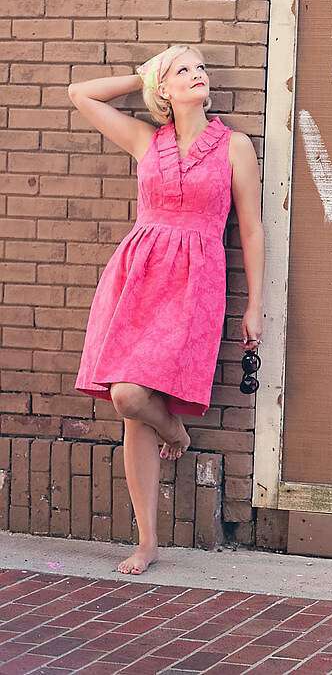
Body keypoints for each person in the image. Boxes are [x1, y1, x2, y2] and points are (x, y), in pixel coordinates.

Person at [66, 44, 265, 575]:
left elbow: (251, 228)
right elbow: (78, 94)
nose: (198, 75)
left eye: (201, 68)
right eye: (183, 70)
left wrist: (255, 305)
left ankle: (175, 432)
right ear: (165, 89)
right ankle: (147, 540)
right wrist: (142, 74)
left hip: (195, 283)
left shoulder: (234, 147)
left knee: (132, 396)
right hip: (137, 278)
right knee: (129, 399)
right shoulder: (146, 141)